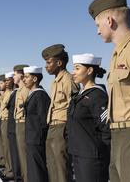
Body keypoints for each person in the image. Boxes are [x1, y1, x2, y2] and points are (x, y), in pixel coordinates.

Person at [88, 0, 130, 181]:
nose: (97, 31)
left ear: (109, 21)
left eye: (97, 25)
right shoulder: (118, 54)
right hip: (119, 135)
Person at [66, 53, 110, 182]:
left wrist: (102, 153)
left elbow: (105, 128)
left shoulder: (97, 95)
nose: (73, 72)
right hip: (78, 153)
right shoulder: (79, 95)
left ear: (90, 70)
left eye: (77, 68)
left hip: (92, 156)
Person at [42, 44, 79, 182]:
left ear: (59, 63)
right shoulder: (55, 81)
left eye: (48, 62)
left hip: (62, 127)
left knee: (61, 166)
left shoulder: (68, 80)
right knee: (52, 165)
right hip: (53, 125)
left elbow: (74, 106)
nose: (46, 66)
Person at [23, 66, 50, 182]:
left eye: (26, 77)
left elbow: (43, 119)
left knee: (37, 169)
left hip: (37, 138)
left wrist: (39, 137)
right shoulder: (33, 94)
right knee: (33, 168)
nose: (24, 80)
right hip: (31, 137)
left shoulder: (40, 95)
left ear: (34, 79)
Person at [13, 64, 29, 182]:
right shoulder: (19, 90)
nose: (13, 77)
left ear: (21, 75)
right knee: (21, 154)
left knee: (25, 155)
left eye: (15, 74)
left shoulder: (26, 90)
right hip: (18, 122)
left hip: (24, 123)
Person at [6, 72, 22, 182]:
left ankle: (19, 175)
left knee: (20, 154)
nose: (7, 82)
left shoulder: (21, 91)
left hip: (19, 124)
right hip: (12, 124)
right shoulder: (14, 92)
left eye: (9, 80)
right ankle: (15, 173)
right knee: (12, 150)